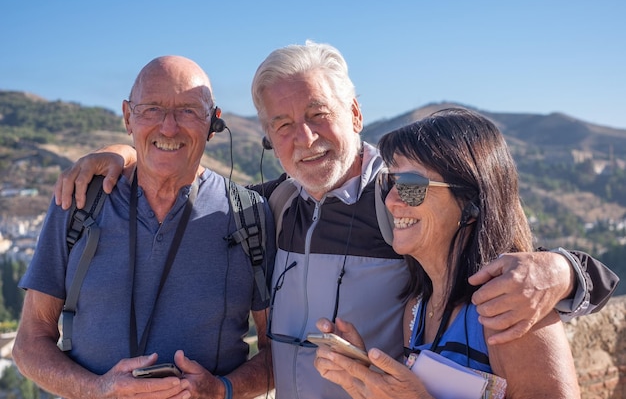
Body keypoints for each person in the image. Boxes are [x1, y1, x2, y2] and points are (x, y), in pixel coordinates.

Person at [53, 41, 618, 399]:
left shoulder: (405, 200)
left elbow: (497, 239)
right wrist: (124, 154)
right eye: (283, 124)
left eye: (318, 115)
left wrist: (564, 270)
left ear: (354, 113)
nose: (305, 139)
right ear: (268, 137)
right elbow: (172, 160)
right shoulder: (268, 207)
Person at [13, 56, 276, 399]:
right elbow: (29, 344)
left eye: (188, 111)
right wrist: (99, 389)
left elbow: (280, 351)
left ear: (213, 122)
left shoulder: (251, 215)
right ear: (127, 117)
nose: (168, 128)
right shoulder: (78, 202)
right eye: (151, 109)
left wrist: (224, 389)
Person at [312, 107, 580, 398]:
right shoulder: (417, 310)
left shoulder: (509, 305)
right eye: (390, 182)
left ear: (470, 202)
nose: (391, 201)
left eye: (411, 186)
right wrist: (367, 380)